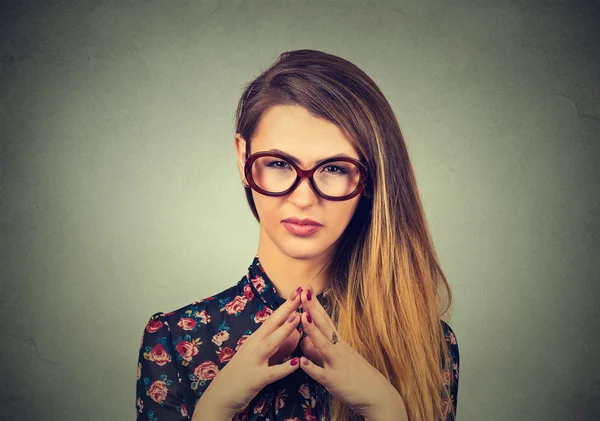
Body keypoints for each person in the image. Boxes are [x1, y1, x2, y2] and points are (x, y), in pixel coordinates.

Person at [135, 49, 459, 421]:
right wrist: (214, 409)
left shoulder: (428, 347)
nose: (304, 198)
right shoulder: (173, 343)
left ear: (369, 178)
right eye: (277, 163)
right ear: (243, 159)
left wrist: (386, 410)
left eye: (335, 168)